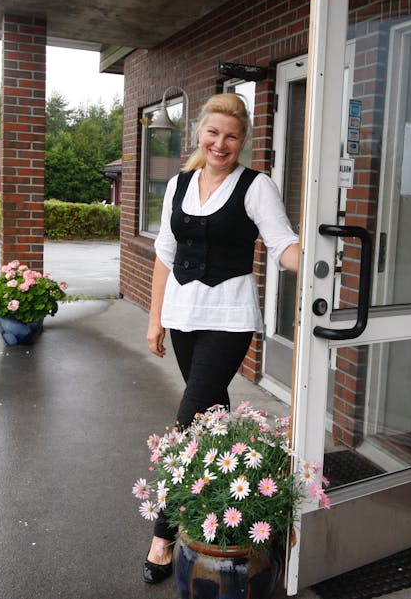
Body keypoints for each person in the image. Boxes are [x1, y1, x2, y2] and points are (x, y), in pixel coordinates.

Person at [143, 93, 300, 584]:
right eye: (213, 133)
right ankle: (229, 506)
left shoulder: (256, 186)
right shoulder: (178, 184)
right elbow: (165, 254)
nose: (220, 143)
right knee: (211, 415)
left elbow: (282, 243)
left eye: (231, 136)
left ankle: (163, 534)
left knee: (189, 418)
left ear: (243, 140)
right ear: (199, 133)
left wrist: (317, 260)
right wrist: (155, 319)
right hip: (183, 315)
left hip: (229, 318)